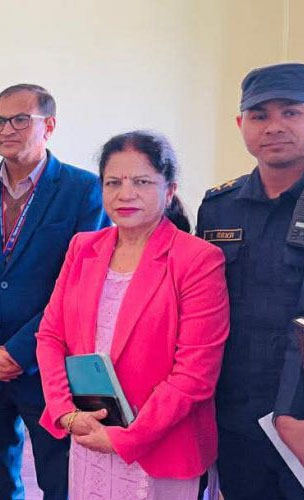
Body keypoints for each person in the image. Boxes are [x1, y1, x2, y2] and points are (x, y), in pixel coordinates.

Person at [36, 131, 229, 499]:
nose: (125, 194)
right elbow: (50, 337)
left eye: (141, 182)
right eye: (114, 182)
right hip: (89, 432)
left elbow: (195, 375)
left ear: (169, 190)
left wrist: (126, 438)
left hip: (160, 444)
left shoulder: (197, 259)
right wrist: (66, 413)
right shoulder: (83, 247)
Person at [0, 83, 108, 499]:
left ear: (48, 126)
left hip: (51, 370)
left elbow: (78, 288)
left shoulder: (84, 189)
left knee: (61, 483)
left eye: (20, 120)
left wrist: (19, 351)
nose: (7, 129)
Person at [196, 62, 304, 499]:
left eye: (291, 112)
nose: (274, 126)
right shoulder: (219, 208)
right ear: (241, 124)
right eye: (259, 115)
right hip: (236, 408)